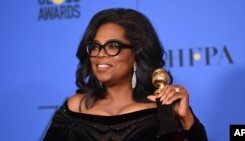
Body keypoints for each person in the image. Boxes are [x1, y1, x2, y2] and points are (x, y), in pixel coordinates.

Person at [43, 8, 208, 141]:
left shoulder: (162, 110)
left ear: (136, 54)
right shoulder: (73, 109)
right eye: (95, 46)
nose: (100, 54)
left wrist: (186, 119)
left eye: (113, 46)